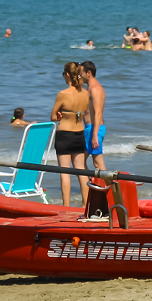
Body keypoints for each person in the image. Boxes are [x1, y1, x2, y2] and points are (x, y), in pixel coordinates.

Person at [51, 62, 90, 206]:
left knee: (64, 172)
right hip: (79, 133)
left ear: (67, 75)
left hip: (65, 135)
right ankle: (85, 204)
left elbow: (53, 116)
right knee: (81, 171)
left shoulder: (63, 94)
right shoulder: (85, 93)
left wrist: (60, 115)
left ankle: (66, 206)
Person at [81, 61, 106, 171]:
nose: (79, 76)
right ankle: (91, 185)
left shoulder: (95, 89)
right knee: (80, 161)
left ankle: (109, 187)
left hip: (94, 128)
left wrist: (95, 135)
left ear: (88, 73)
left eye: (80, 73)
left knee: (97, 163)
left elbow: (98, 113)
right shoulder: (90, 89)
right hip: (90, 128)